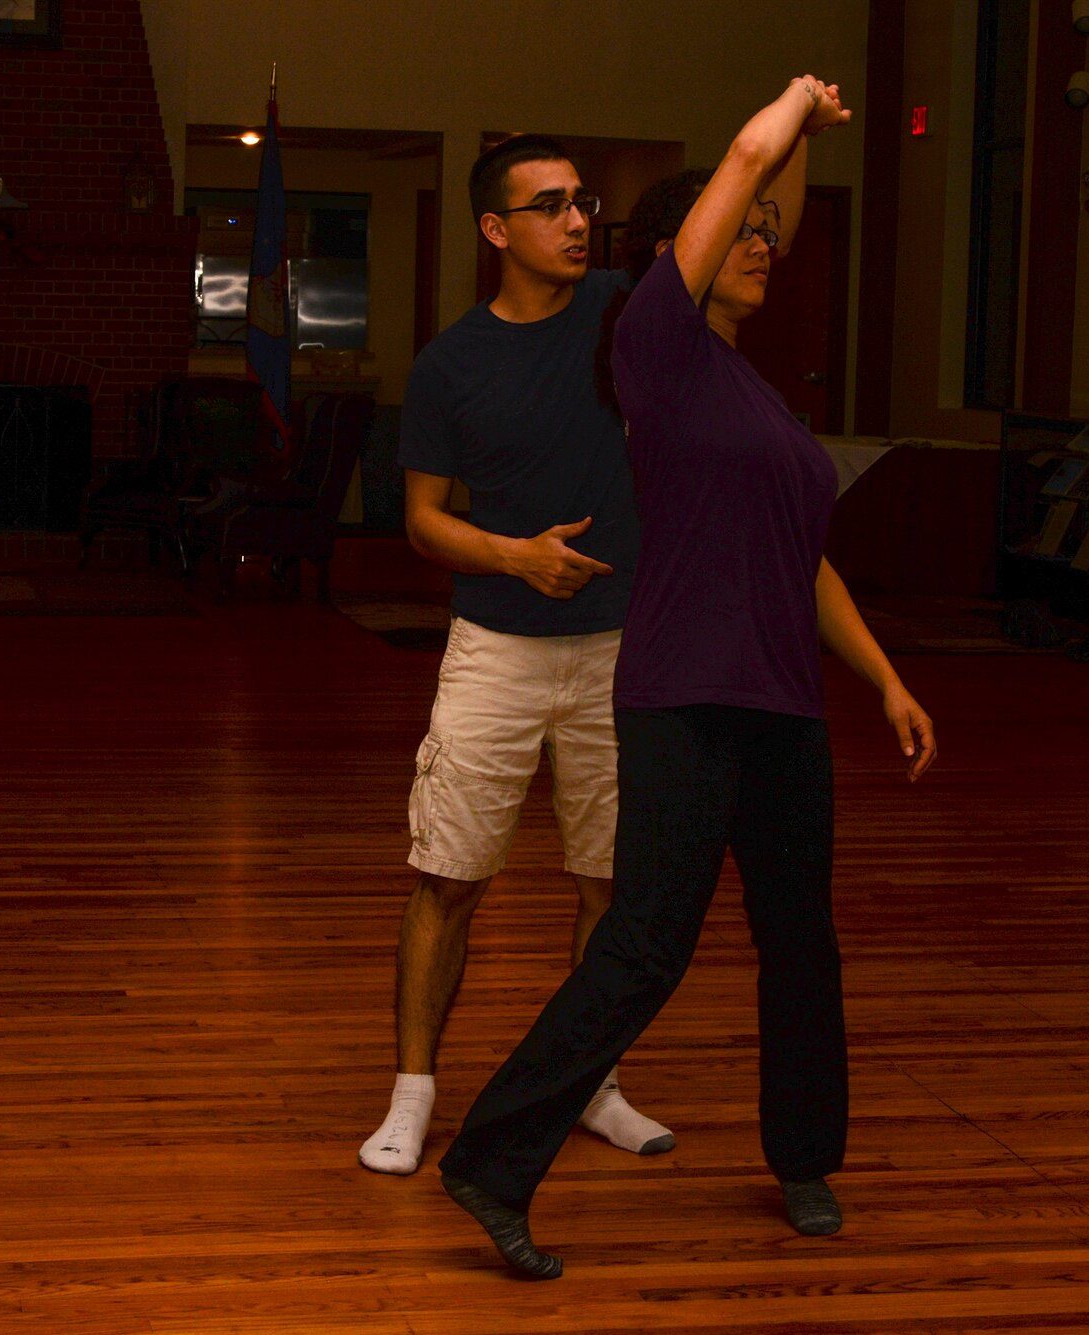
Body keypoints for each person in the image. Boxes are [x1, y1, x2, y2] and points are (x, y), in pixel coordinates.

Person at [437, 77, 938, 1278]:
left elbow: (799, 559)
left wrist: (880, 676)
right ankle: (489, 1162)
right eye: (744, 236)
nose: (765, 250)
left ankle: (803, 1160)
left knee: (800, 940)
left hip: (782, 702)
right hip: (680, 694)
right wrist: (790, 112)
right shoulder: (655, 349)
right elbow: (740, 171)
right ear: (682, 255)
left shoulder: (754, 394)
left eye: (771, 238)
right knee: (646, 945)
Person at [360, 134, 794, 1176]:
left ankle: (589, 1086)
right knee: (448, 877)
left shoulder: (622, 314)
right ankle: (411, 1096)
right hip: (494, 650)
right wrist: (514, 556)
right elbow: (420, 521)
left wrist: (784, 137)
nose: (573, 221)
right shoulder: (449, 363)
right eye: (547, 206)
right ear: (494, 230)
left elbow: (724, 224)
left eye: (580, 203)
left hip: (620, 649)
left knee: (607, 882)